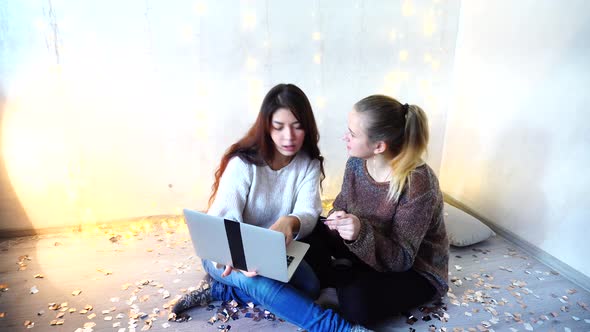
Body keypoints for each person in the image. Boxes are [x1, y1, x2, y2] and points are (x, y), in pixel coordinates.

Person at [171, 83, 372, 332]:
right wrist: (240, 259)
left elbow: (308, 212)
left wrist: (292, 221)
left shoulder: (307, 163)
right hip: (226, 252)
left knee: (309, 288)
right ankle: (338, 328)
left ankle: (220, 289)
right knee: (262, 283)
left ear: (307, 128)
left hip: (271, 251)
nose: (289, 136)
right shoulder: (243, 163)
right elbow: (223, 220)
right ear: (266, 127)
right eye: (279, 127)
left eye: (298, 126)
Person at [305, 94, 449, 326]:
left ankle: (341, 280)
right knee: (309, 232)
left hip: (415, 270)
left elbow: (402, 259)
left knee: (357, 302)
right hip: (367, 253)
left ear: (379, 146)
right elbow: (341, 204)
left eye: (352, 134)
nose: (345, 137)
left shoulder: (417, 183)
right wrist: (336, 218)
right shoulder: (356, 163)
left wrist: (359, 232)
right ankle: (345, 277)